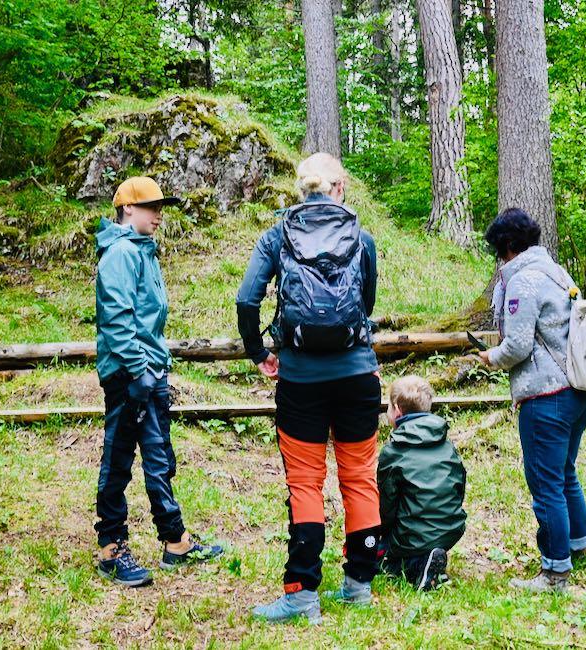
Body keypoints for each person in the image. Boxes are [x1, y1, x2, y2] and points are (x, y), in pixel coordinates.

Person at [237, 153, 382, 624]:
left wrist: (260, 354)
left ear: (301, 189)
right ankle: (359, 584)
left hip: (299, 379)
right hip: (357, 375)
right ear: (339, 188)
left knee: (305, 484)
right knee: (359, 477)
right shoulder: (362, 239)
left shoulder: (277, 236)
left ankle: (301, 594)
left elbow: (246, 299)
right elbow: (366, 302)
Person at [93, 176, 222, 587]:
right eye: (151, 207)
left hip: (149, 371)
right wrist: (139, 372)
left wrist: (155, 370)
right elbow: (117, 321)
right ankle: (110, 548)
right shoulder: (119, 255)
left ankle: (175, 541)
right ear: (128, 209)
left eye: (160, 207)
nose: (159, 214)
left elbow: (148, 321)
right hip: (129, 374)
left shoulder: (143, 252)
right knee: (119, 460)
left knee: (160, 456)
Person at [477, 208, 586, 594]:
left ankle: (555, 572)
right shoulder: (556, 272)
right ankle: (579, 546)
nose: (499, 259)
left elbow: (518, 345)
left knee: (545, 482)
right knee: (564, 473)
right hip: (578, 389)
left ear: (509, 246)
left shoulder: (524, 280)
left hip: (546, 395)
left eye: (499, 251)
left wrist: (491, 358)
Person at [377, 375, 466, 591]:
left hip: (412, 534)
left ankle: (416, 565)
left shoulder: (393, 451)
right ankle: (431, 559)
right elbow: (459, 486)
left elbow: (386, 505)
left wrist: (382, 535)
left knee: (381, 558)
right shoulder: (447, 445)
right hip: (451, 529)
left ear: (397, 410)